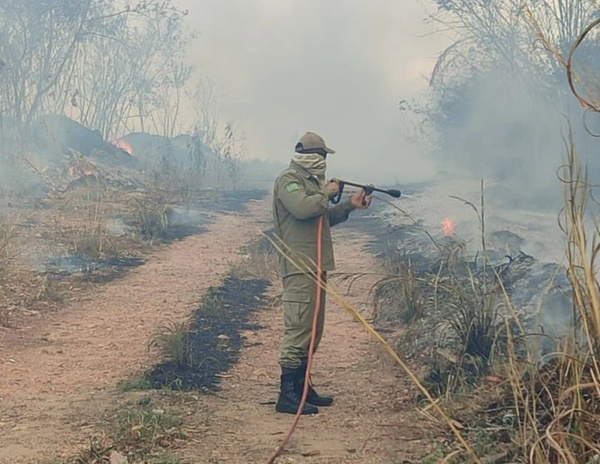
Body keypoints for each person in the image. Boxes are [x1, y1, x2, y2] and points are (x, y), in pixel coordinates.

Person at [271, 131, 371, 415]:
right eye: (323, 156)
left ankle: (303, 389)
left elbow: (322, 220)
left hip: (316, 265)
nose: (325, 162)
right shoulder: (288, 181)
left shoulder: (311, 184)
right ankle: (287, 395)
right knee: (299, 328)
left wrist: (349, 205)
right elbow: (303, 209)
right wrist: (325, 193)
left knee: (313, 331)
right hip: (300, 266)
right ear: (312, 156)